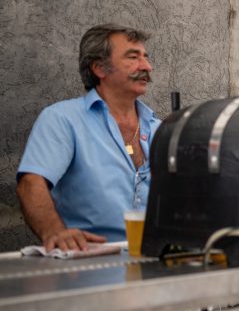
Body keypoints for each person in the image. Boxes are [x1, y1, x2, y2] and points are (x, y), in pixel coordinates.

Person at [16, 24, 159, 252]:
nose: (147, 67)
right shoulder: (63, 119)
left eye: (145, 58)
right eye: (133, 58)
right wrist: (55, 232)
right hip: (91, 259)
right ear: (99, 68)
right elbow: (31, 183)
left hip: (155, 259)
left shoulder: (159, 128)